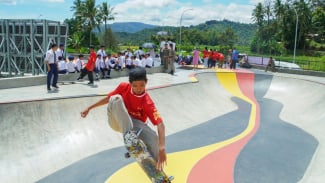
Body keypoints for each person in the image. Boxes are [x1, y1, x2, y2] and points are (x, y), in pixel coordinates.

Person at [80, 67, 167, 173]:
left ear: (146, 83)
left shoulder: (147, 102)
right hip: (116, 119)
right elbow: (108, 99)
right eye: (135, 86)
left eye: (142, 85)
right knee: (116, 98)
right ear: (130, 84)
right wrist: (89, 108)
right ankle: (129, 137)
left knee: (153, 137)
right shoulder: (123, 87)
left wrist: (161, 148)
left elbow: (160, 124)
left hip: (134, 126)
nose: (138, 88)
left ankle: (159, 172)